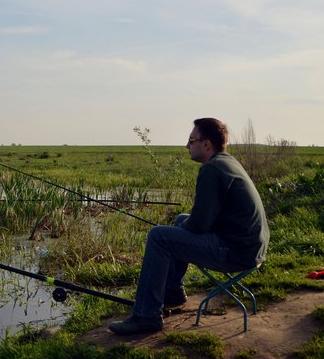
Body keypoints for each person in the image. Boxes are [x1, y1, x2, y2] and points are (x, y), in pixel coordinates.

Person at [111, 117, 269, 335]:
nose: (187, 145)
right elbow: (204, 218)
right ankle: (174, 293)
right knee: (179, 221)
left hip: (236, 252)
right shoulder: (227, 162)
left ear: (207, 144)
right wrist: (186, 222)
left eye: (191, 140)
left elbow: (200, 224)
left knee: (159, 236)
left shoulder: (212, 169)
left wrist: (188, 223)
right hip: (249, 247)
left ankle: (146, 316)